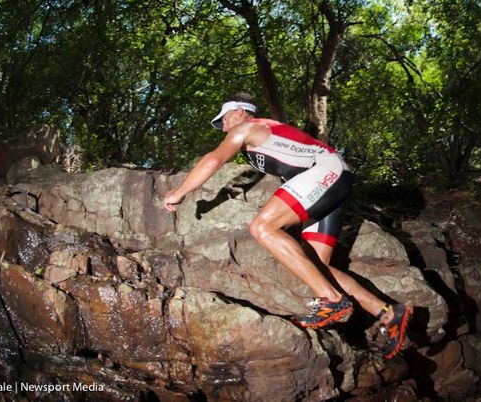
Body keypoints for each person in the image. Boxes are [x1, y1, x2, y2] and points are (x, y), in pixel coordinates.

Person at [163, 93, 413, 359]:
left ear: (237, 112)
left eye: (224, 119)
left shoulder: (247, 128)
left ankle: (330, 299)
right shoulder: (265, 136)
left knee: (262, 227)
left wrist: (178, 192)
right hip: (333, 178)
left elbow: (213, 160)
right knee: (317, 265)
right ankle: (388, 313)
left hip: (324, 171)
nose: (223, 127)